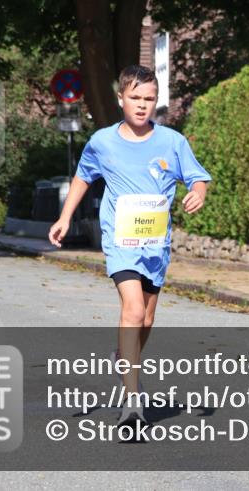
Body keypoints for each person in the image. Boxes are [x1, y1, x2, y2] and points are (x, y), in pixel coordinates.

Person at [49, 65, 211, 429]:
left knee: (148, 319)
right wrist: (64, 218)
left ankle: (123, 356)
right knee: (134, 311)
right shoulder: (103, 141)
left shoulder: (172, 141)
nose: (141, 105)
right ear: (120, 98)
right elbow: (83, 177)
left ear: (156, 101)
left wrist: (196, 194)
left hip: (156, 244)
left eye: (149, 99)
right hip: (120, 240)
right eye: (134, 98)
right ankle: (132, 402)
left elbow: (197, 177)